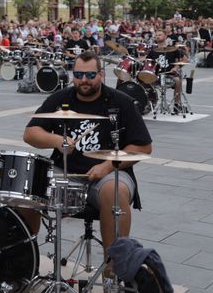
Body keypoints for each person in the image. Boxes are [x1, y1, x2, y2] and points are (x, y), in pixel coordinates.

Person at [23, 49, 153, 250]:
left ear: (101, 74)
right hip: (65, 171)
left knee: (114, 192)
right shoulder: (59, 98)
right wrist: (56, 140)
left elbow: (144, 146)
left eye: (91, 75)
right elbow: (30, 133)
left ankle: (113, 269)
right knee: (27, 189)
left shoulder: (121, 102)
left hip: (111, 173)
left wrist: (109, 166)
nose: (84, 80)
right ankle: (26, 259)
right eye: (78, 75)